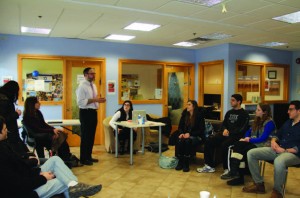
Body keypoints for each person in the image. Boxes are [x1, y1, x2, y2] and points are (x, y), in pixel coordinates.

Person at [0, 116, 101, 198]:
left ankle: (73, 186)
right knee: (63, 181)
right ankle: (73, 186)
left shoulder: (4, 146)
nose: (7, 130)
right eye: (4, 129)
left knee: (55, 159)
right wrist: (42, 178)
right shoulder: (3, 156)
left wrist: (37, 172)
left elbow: (21, 170)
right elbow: (18, 185)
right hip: (26, 192)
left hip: (28, 179)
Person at [242, 100, 300, 198]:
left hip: (293, 154)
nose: (288, 112)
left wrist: (285, 150)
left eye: (291, 109)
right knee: (251, 153)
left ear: (299, 111)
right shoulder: (288, 122)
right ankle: (259, 184)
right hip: (279, 149)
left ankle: (278, 192)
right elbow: (277, 134)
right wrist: (273, 141)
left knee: (278, 161)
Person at [221, 103, 276, 186]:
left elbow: (263, 138)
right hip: (254, 142)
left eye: (258, 110)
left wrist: (249, 139)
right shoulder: (257, 120)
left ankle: (236, 174)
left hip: (263, 145)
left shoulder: (269, 123)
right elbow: (248, 131)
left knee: (242, 150)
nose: (256, 111)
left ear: (264, 112)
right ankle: (236, 173)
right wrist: (246, 138)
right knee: (238, 145)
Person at [197, 94, 249, 175]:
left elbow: (242, 128)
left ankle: (227, 169)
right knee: (209, 141)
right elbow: (224, 123)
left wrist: (230, 132)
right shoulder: (229, 112)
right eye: (231, 100)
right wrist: (224, 129)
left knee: (225, 145)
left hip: (236, 136)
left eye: (233, 100)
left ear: (239, 102)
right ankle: (209, 166)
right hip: (225, 134)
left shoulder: (244, 114)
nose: (230, 102)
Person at [22, 96, 79, 166]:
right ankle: (65, 159)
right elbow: (37, 129)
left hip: (43, 135)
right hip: (37, 137)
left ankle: (65, 158)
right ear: (32, 104)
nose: (39, 103)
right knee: (59, 139)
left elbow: (43, 124)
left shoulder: (38, 112)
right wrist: (52, 131)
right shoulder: (27, 117)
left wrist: (53, 129)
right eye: (37, 102)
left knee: (60, 135)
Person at [76, 67, 106, 165]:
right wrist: (95, 100)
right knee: (85, 136)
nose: (93, 75)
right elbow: (80, 102)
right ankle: (83, 159)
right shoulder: (82, 86)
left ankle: (89, 156)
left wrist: (98, 99)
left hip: (93, 112)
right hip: (85, 113)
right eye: (91, 73)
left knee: (91, 136)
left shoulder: (93, 85)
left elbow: (93, 98)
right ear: (85, 75)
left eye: (94, 73)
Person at [174, 100, 205, 172]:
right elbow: (180, 127)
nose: (187, 106)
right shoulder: (185, 115)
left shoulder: (199, 116)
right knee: (181, 140)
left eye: (189, 104)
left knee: (187, 141)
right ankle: (180, 161)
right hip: (185, 135)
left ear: (193, 106)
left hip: (197, 136)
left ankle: (186, 163)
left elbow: (201, 130)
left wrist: (190, 134)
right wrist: (181, 133)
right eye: (187, 104)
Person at [0, 81, 28, 154]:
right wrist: (16, 114)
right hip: (9, 133)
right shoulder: (4, 101)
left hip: (8, 132)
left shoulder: (3, 98)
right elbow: (4, 118)